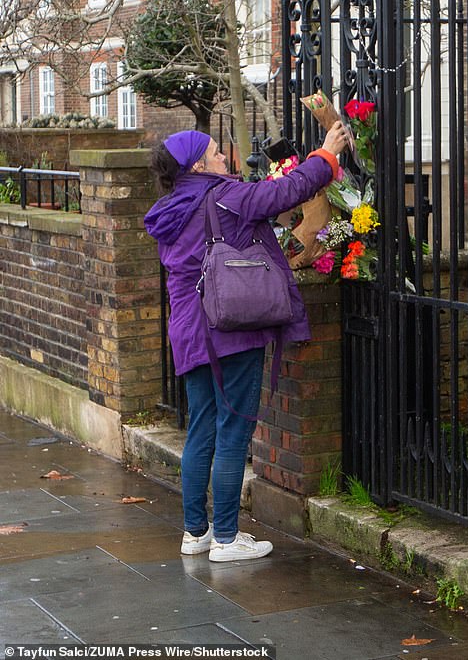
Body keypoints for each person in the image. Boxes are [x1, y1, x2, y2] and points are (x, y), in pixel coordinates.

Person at [144, 124, 348, 562]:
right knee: (234, 427)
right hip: (230, 327)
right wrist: (326, 155)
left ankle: (195, 533)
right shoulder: (223, 196)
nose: (225, 159)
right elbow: (285, 191)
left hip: (189, 331)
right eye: (217, 153)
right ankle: (226, 537)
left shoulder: (171, 207)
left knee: (201, 426)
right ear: (197, 164)